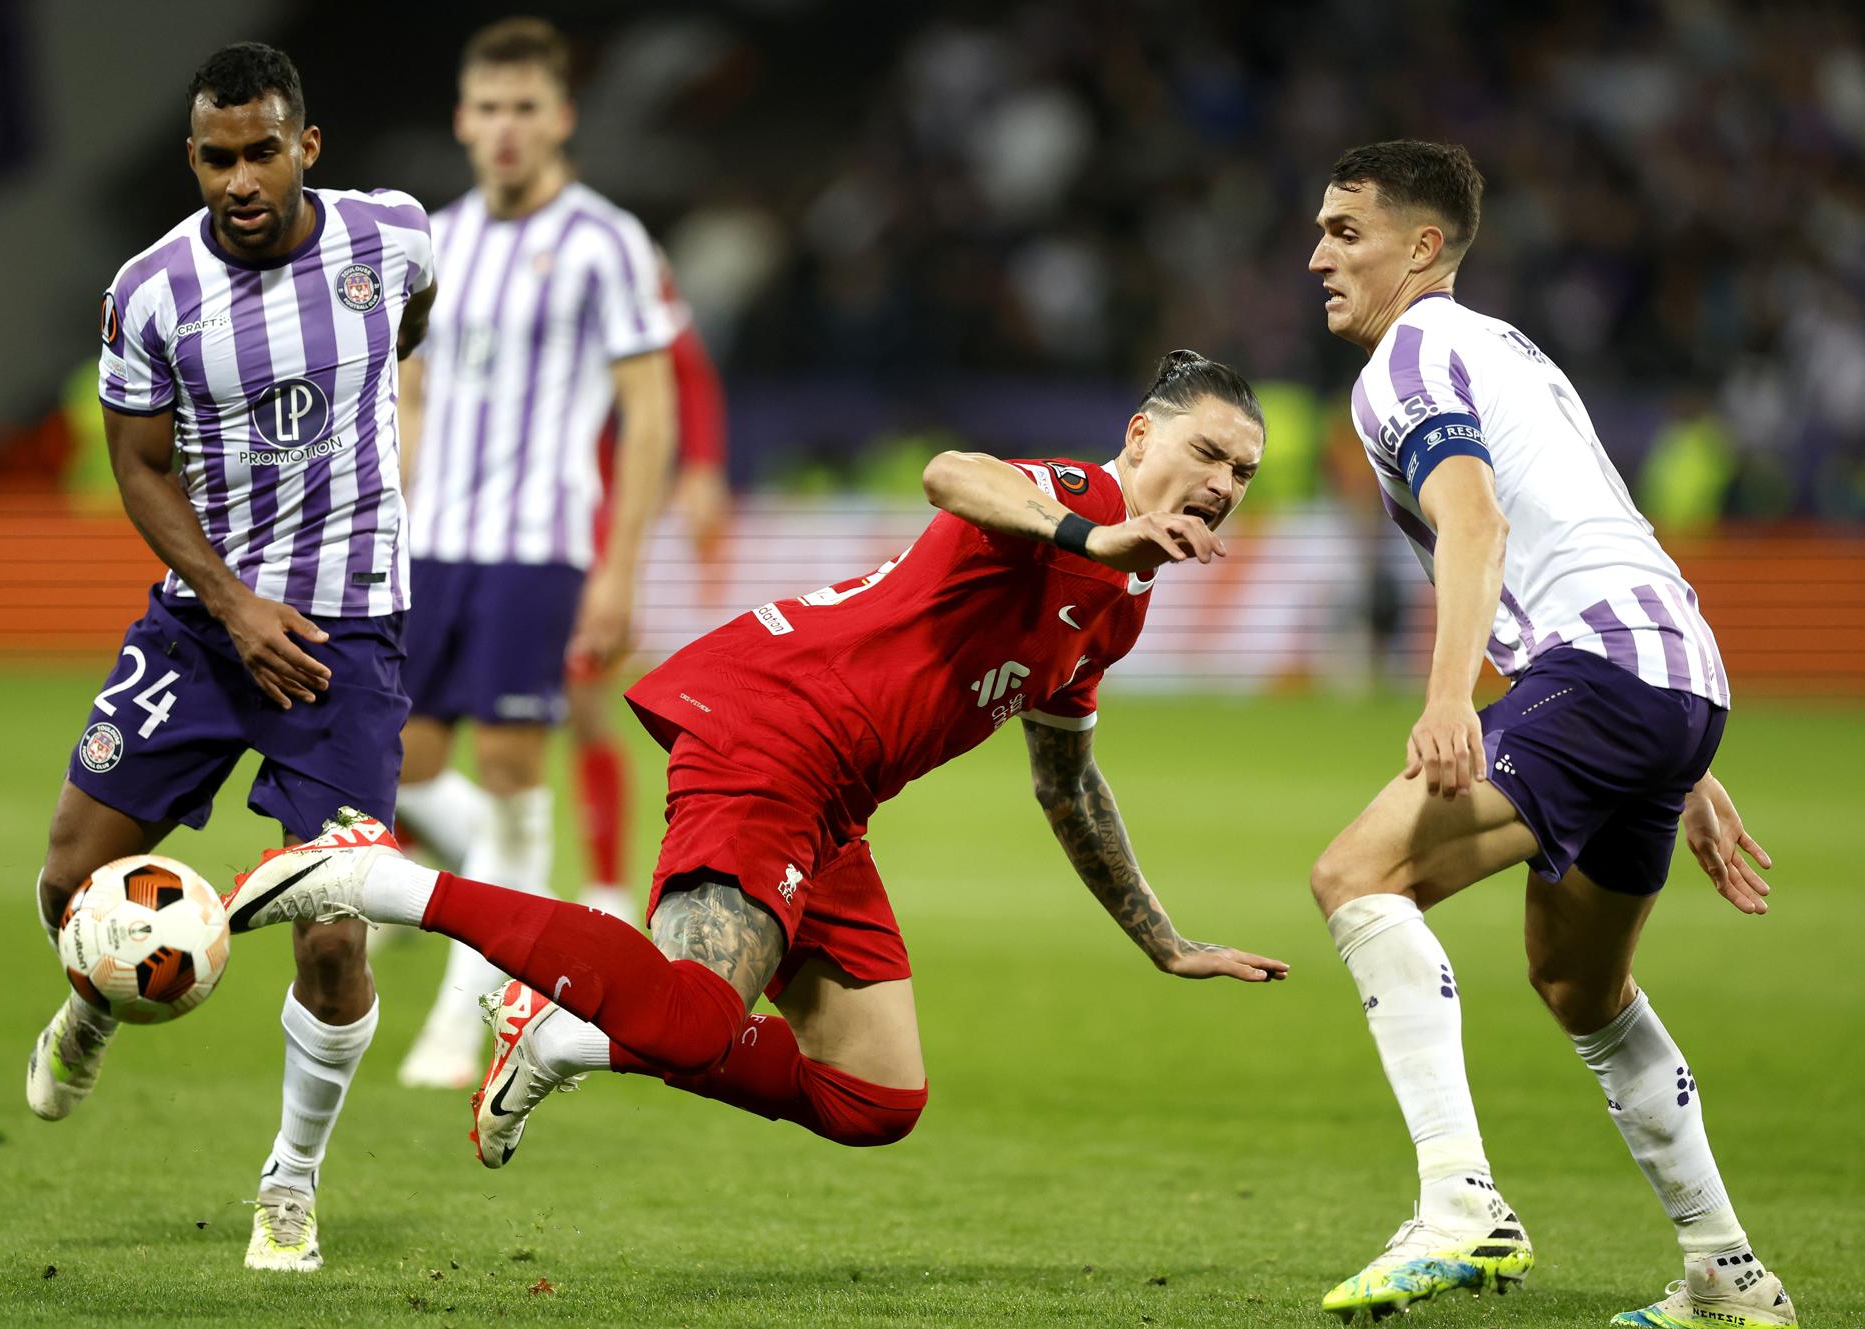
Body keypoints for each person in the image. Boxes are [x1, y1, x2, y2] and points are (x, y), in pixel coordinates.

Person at [224, 350, 1288, 1169]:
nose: (1223, 482)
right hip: (773, 727)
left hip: (835, 800)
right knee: (693, 1016)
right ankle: (376, 876)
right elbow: (949, 471)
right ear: (1141, 435)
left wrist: (1162, 938)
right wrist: (1087, 534)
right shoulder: (1078, 503)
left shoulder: (1119, 612)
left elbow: (1067, 782)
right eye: (1206, 453)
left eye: (1242, 470)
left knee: (878, 1097)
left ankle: (556, 1037)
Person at [1305, 140, 1793, 1329]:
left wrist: (1442, 699)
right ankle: (1726, 1269)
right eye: (1318, 230)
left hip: (1610, 675)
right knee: (1582, 981)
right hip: (1668, 676)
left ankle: (1458, 1202)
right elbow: (1588, 533)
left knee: (1358, 873)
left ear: (1422, 247)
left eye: (1346, 232)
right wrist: (1691, 756)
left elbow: (1475, 524)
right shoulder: (1510, 349)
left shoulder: (1407, 360)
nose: (1319, 254)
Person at [27, 42, 436, 1273]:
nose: (242, 178)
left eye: (264, 151)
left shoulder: (395, 238)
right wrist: (232, 599)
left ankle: (289, 1184)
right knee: (65, 884)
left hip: (346, 637)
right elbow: (139, 465)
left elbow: (407, 324)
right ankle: (95, 996)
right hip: (205, 627)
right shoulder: (149, 290)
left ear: (306, 146)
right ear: (193, 158)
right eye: (218, 156)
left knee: (332, 936)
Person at [389, 17, 678, 1089]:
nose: (506, 128)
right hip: (433, 546)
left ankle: (465, 1016)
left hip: (538, 547)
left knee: (511, 771)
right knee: (397, 766)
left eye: (526, 109)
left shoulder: (607, 241)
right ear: (463, 121)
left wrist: (619, 566)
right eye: (489, 108)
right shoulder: (437, 239)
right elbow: (413, 392)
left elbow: (647, 416)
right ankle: (525, 901)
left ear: (559, 119)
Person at [566, 251, 729, 919]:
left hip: (581, 501)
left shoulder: (613, 254)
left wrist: (701, 466)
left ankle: (605, 885)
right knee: (427, 697)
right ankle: (411, 849)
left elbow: (686, 369)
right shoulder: (451, 241)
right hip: (464, 516)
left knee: (584, 690)